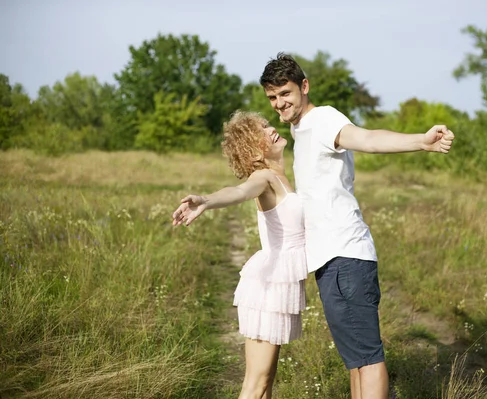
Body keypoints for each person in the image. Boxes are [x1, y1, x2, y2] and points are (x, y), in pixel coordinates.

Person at [260, 53, 455, 399]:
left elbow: (367, 139)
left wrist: (420, 142)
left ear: (304, 87)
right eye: (272, 98)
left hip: (345, 254)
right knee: (355, 360)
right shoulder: (299, 130)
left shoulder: (322, 119)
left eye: (285, 93)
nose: (279, 103)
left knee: (367, 356)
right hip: (329, 259)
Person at [171, 110, 307, 399]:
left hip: (281, 286)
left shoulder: (283, 176)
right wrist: (206, 201)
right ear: (252, 149)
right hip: (269, 285)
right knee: (255, 385)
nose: (271, 129)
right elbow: (240, 191)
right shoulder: (263, 178)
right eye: (262, 129)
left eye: (268, 124)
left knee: (265, 382)